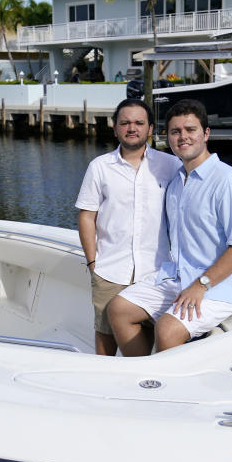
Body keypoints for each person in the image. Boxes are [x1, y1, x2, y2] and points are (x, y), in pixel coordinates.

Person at [107, 99, 232, 355]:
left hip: (219, 285)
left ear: (206, 133)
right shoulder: (177, 182)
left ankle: (167, 390)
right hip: (178, 276)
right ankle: (144, 375)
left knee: (167, 329)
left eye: (191, 130)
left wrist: (201, 285)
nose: (183, 137)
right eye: (176, 132)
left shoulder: (228, 181)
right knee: (118, 309)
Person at [75, 98, 181, 355]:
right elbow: (86, 216)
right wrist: (93, 264)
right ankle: (104, 384)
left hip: (155, 272)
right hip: (110, 269)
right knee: (105, 341)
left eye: (138, 123)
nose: (132, 128)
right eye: (125, 123)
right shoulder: (99, 167)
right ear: (115, 128)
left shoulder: (170, 166)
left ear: (150, 129)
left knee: (148, 341)